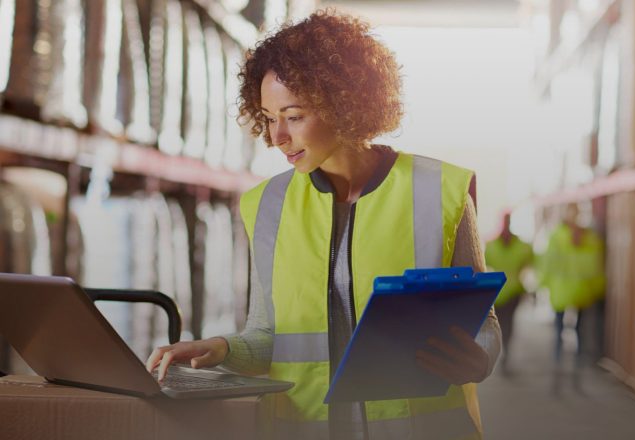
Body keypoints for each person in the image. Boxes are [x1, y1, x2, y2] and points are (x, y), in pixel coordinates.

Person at [146, 10, 502, 440]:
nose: (276, 136)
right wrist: (221, 348)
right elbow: (266, 338)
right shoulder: (266, 206)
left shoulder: (441, 191)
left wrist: (478, 359)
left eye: (293, 116)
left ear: (344, 103)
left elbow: (485, 325)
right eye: (268, 116)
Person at [537, 203, 605, 367]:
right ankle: (572, 359)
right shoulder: (588, 238)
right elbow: (596, 265)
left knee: (565, 327)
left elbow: (548, 263)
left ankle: (561, 358)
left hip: (566, 290)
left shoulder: (558, 236)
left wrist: (543, 284)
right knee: (573, 328)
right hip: (577, 290)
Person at [483, 211, 533, 375]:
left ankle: (506, 354)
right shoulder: (491, 245)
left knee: (508, 324)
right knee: (499, 324)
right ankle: (501, 355)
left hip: (512, 293)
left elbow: (530, 264)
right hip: (497, 293)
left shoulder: (521, 246)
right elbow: (481, 266)